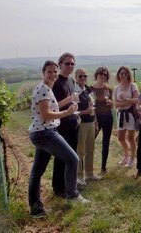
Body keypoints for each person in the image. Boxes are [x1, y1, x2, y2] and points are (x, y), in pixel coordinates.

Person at [28, 60, 88, 219]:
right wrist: (66, 113)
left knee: (37, 172)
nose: (53, 74)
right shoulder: (43, 90)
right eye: (50, 72)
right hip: (45, 132)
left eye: (55, 71)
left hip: (40, 132)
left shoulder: (45, 88)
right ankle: (73, 196)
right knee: (72, 159)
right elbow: (46, 114)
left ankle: (36, 209)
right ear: (43, 72)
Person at [52, 52, 79, 197]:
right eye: (67, 63)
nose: (70, 66)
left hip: (73, 123)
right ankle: (58, 188)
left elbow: (72, 102)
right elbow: (52, 106)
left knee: (72, 156)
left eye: (72, 63)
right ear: (60, 64)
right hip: (61, 125)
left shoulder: (71, 81)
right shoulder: (56, 82)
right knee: (61, 157)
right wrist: (70, 99)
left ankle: (70, 185)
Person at [75, 68, 102, 186]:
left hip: (91, 122)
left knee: (90, 149)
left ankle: (89, 174)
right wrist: (85, 111)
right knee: (80, 150)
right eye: (80, 76)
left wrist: (95, 122)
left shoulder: (88, 90)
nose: (83, 78)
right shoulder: (74, 92)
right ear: (76, 77)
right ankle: (79, 176)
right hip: (81, 124)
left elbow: (93, 106)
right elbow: (72, 112)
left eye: (85, 76)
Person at [113, 66, 139, 168]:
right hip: (120, 114)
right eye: (121, 73)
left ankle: (132, 159)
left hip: (130, 115)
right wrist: (127, 102)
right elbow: (115, 104)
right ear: (118, 75)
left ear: (128, 74)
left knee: (131, 138)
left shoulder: (132, 86)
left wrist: (125, 99)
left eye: (125, 73)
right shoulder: (116, 88)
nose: (123, 75)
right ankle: (126, 155)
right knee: (120, 138)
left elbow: (137, 100)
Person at [90, 67, 113, 174]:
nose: (103, 76)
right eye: (101, 74)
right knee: (90, 142)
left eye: (105, 74)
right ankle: (87, 167)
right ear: (97, 74)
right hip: (96, 118)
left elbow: (113, 104)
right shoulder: (90, 89)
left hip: (108, 117)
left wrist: (111, 103)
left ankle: (103, 167)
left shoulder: (108, 89)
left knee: (106, 142)